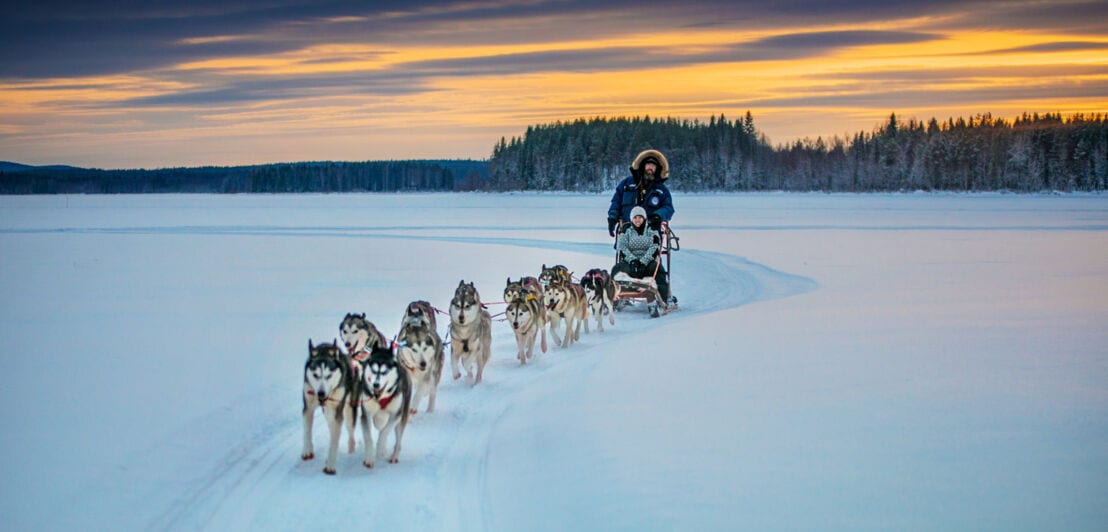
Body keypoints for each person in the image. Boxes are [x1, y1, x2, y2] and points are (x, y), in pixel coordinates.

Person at [607, 149, 674, 237]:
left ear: (657, 169)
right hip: (627, 230)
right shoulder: (626, 184)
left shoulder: (661, 190)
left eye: (653, 166)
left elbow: (668, 207)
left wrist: (658, 216)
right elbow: (616, 202)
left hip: (651, 232)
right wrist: (612, 218)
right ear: (643, 166)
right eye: (648, 165)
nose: (650, 168)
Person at [612, 206, 670, 302]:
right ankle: (613, 296)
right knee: (617, 269)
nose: (637, 220)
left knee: (658, 269)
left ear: (644, 218)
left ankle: (663, 299)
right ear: (631, 219)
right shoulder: (627, 232)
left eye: (640, 217)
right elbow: (622, 247)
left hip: (648, 264)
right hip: (631, 264)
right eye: (635, 218)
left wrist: (643, 262)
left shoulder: (652, 231)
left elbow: (654, 247)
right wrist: (633, 260)